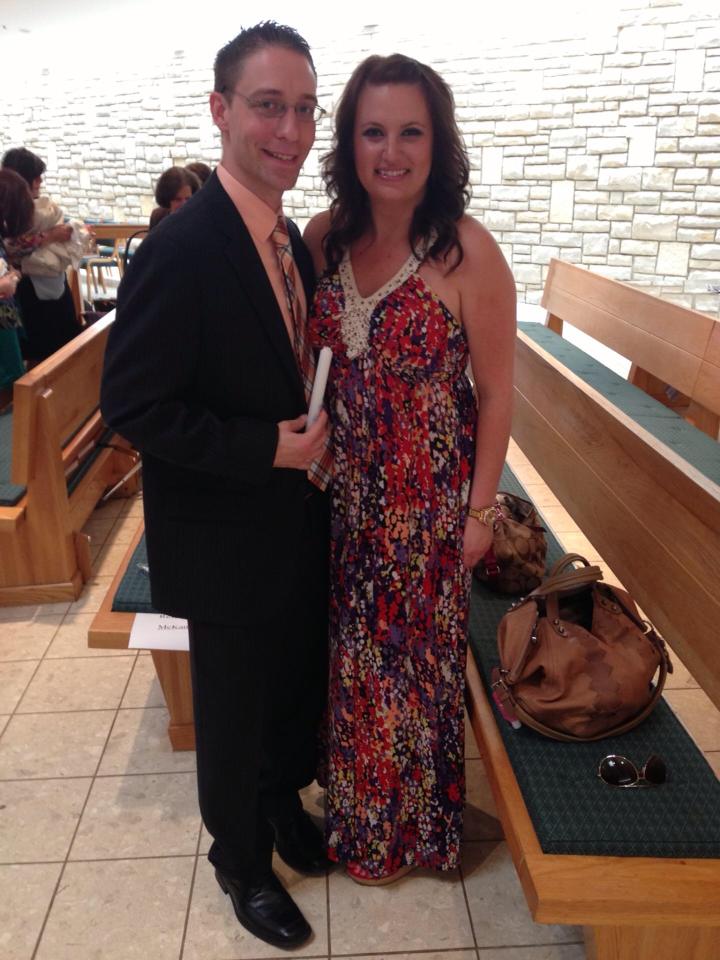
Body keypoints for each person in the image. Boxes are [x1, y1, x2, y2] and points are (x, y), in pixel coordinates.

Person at [101, 22, 331, 951]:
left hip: (294, 519)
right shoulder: (182, 247)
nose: (291, 130)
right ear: (221, 110)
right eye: (269, 106)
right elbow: (132, 406)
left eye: (305, 108)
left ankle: (279, 805)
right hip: (222, 531)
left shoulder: (287, 238)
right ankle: (239, 860)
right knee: (232, 711)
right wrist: (262, 448)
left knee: (286, 688)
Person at [305, 53, 516, 884]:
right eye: (373, 132)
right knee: (353, 668)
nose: (391, 152)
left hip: (427, 511)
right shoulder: (324, 237)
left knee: (414, 678)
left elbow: (496, 395)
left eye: (411, 132)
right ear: (349, 142)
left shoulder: (466, 251)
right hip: (339, 500)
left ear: (438, 143)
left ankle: (418, 834)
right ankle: (358, 821)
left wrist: (480, 512)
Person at [1, 147, 80, 362]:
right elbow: (10, 246)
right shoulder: (10, 210)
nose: (40, 182)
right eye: (35, 177)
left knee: (63, 347)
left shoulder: (41, 207)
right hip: (24, 292)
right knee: (37, 353)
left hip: (52, 283)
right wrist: (50, 236)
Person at [0, 169, 33, 393]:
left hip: (5, 315)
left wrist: (11, 274)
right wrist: (4, 284)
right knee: (10, 381)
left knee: (14, 376)